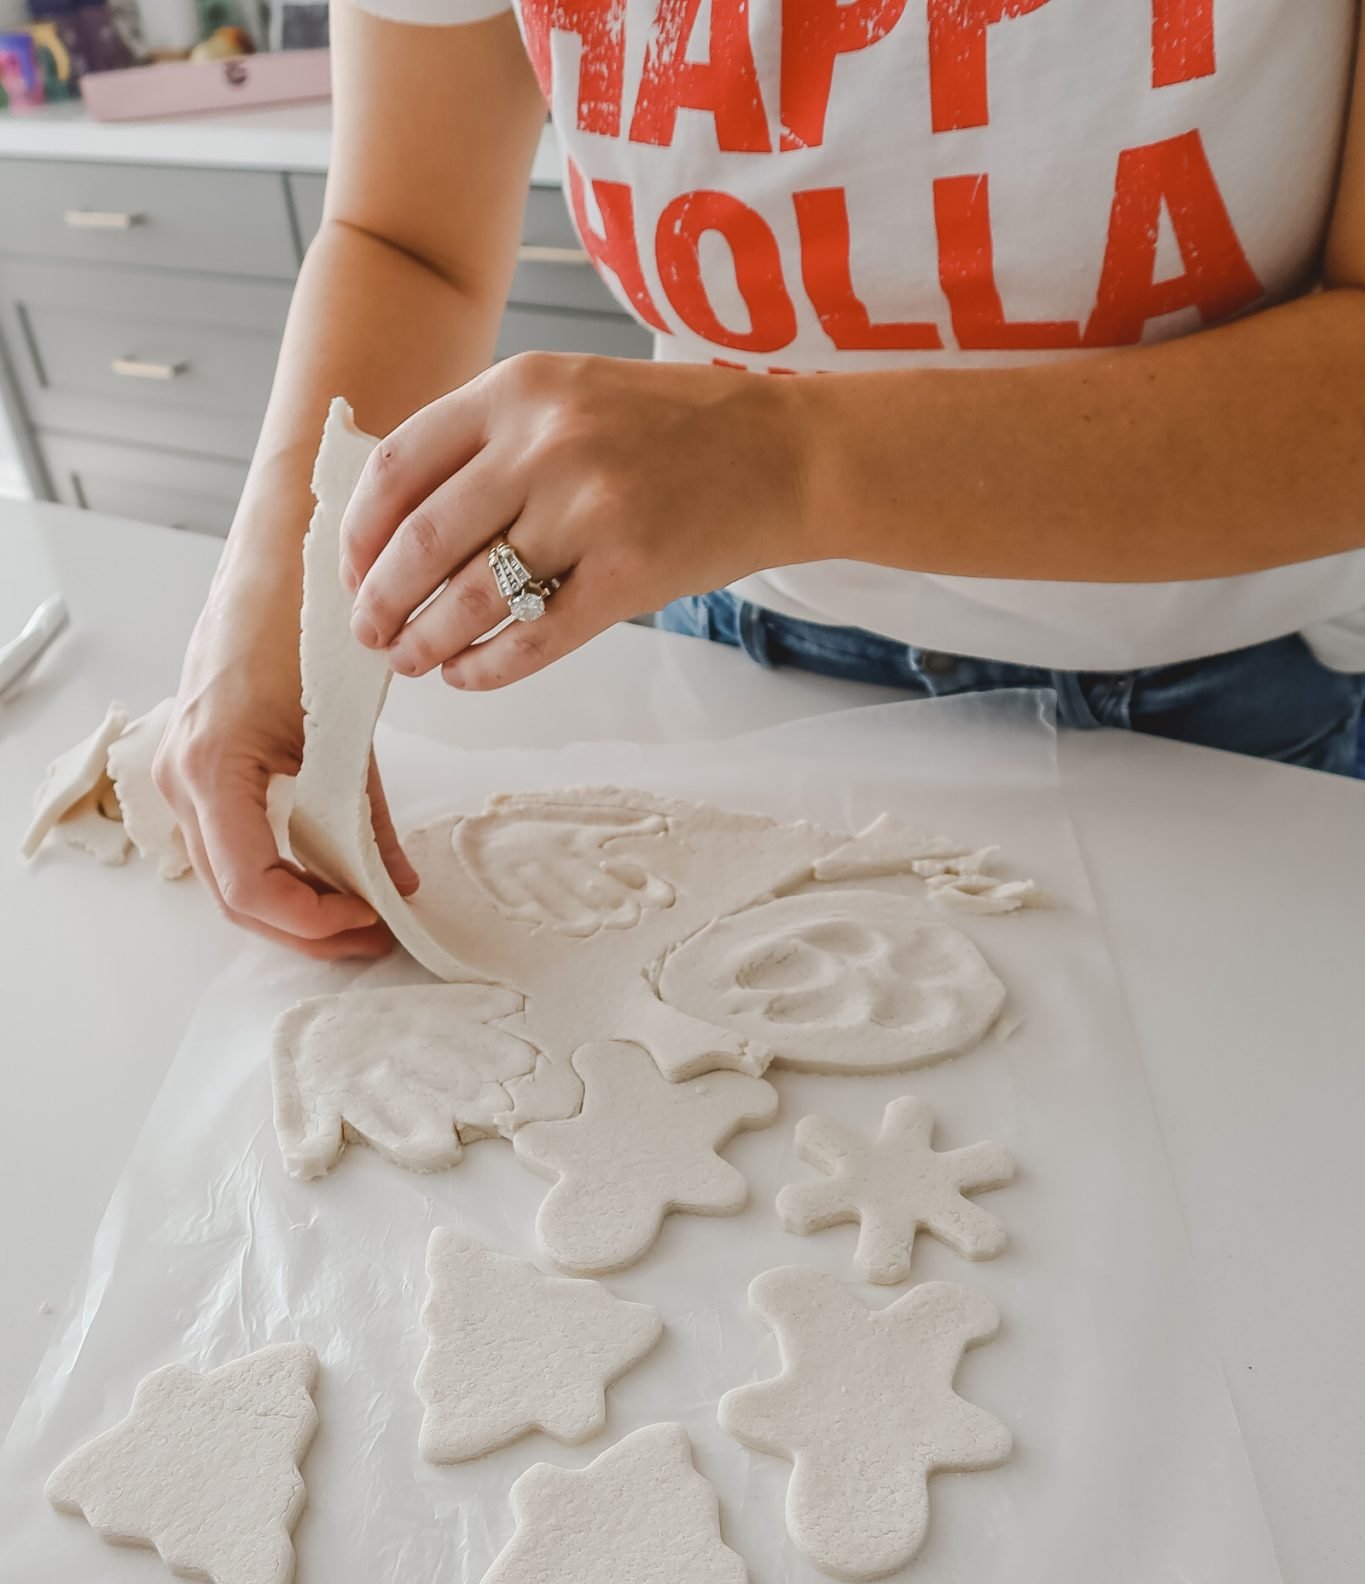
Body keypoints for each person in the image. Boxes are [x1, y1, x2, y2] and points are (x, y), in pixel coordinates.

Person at [156, 0, 1365, 961]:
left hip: (1246, 703)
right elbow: (404, 239)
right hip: (733, 653)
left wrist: (792, 454)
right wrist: (275, 584)